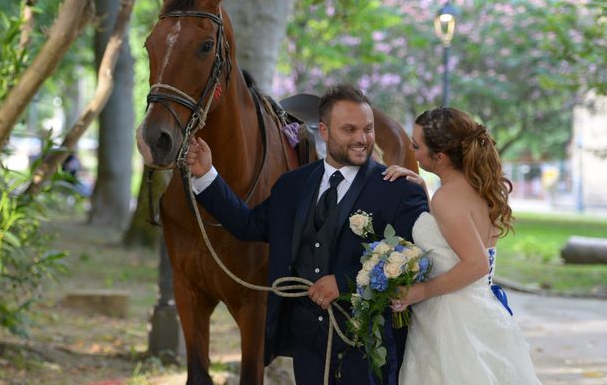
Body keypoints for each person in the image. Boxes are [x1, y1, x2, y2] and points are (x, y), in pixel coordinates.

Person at [186, 84, 428, 385]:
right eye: (349, 130)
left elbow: (411, 262)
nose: (362, 139)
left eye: (368, 129)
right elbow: (248, 225)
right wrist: (206, 175)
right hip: (306, 340)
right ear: (324, 132)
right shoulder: (292, 185)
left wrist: (344, 282)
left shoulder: (398, 190)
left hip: (366, 346)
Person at [383, 107, 542, 384]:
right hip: (481, 311)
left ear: (440, 157)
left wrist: (420, 290)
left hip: (451, 323)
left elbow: (477, 263)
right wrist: (423, 190)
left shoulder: (448, 198)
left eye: (417, 145)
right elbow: (453, 236)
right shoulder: (477, 186)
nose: (411, 150)